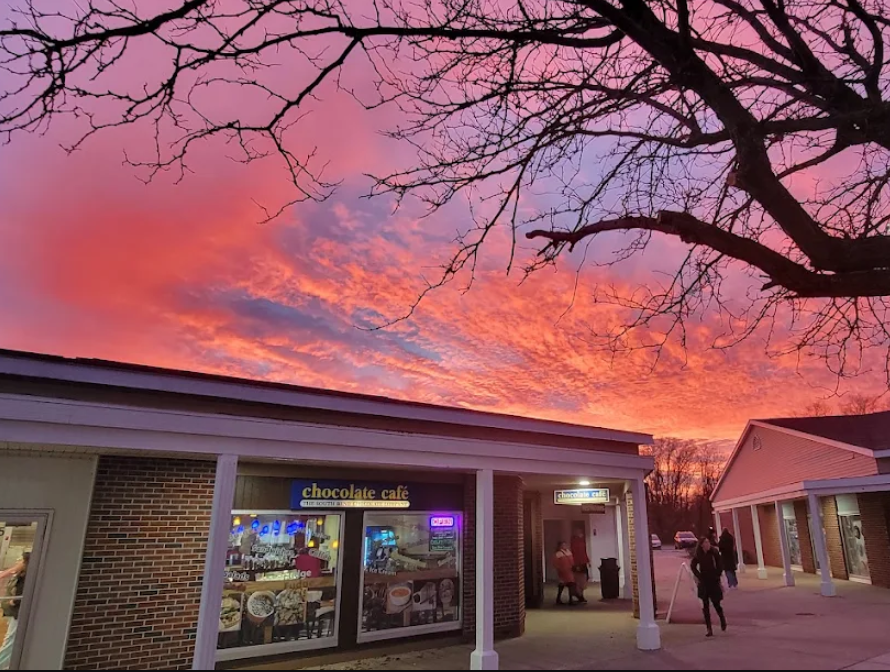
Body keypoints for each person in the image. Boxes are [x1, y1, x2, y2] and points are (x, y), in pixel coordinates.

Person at [691, 538, 727, 637]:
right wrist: (698, 576)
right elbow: (693, 566)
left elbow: (720, 564)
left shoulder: (714, 553)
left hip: (713, 581)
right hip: (704, 582)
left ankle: (722, 619)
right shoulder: (699, 554)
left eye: (708, 542)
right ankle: (709, 628)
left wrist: (717, 575)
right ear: (701, 545)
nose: (708, 544)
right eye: (705, 542)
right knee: (705, 605)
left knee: (716, 603)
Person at [0, 552, 30, 670]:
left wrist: (12, 602)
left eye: (20, 560)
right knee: (11, 639)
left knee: (11, 640)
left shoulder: (25, 577)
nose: (17, 562)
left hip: (17, 613)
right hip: (12, 613)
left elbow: (20, 595)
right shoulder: (19, 575)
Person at [552, 541, 581, 606]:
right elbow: (555, 563)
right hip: (563, 571)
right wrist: (559, 569)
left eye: (565, 545)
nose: (564, 546)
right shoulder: (558, 554)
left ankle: (562, 599)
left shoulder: (568, 552)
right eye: (563, 545)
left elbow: (572, 561)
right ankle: (569, 600)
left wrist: (574, 567)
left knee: (566, 585)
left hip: (569, 571)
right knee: (569, 585)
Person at [570, 528, 590, 603]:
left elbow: (584, 551)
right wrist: (576, 564)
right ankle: (579, 595)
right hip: (578, 562)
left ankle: (580, 594)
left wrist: (587, 560)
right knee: (579, 579)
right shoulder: (575, 541)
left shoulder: (581, 541)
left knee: (584, 579)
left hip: (583, 562)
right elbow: (576, 553)